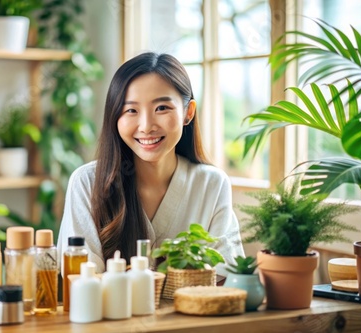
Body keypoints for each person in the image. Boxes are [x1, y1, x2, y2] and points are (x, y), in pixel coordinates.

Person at [57, 52, 244, 273]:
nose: (146, 126)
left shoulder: (211, 184)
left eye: (162, 108)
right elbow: (82, 281)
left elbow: (226, 277)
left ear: (188, 112)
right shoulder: (87, 183)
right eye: (131, 111)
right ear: (115, 117)